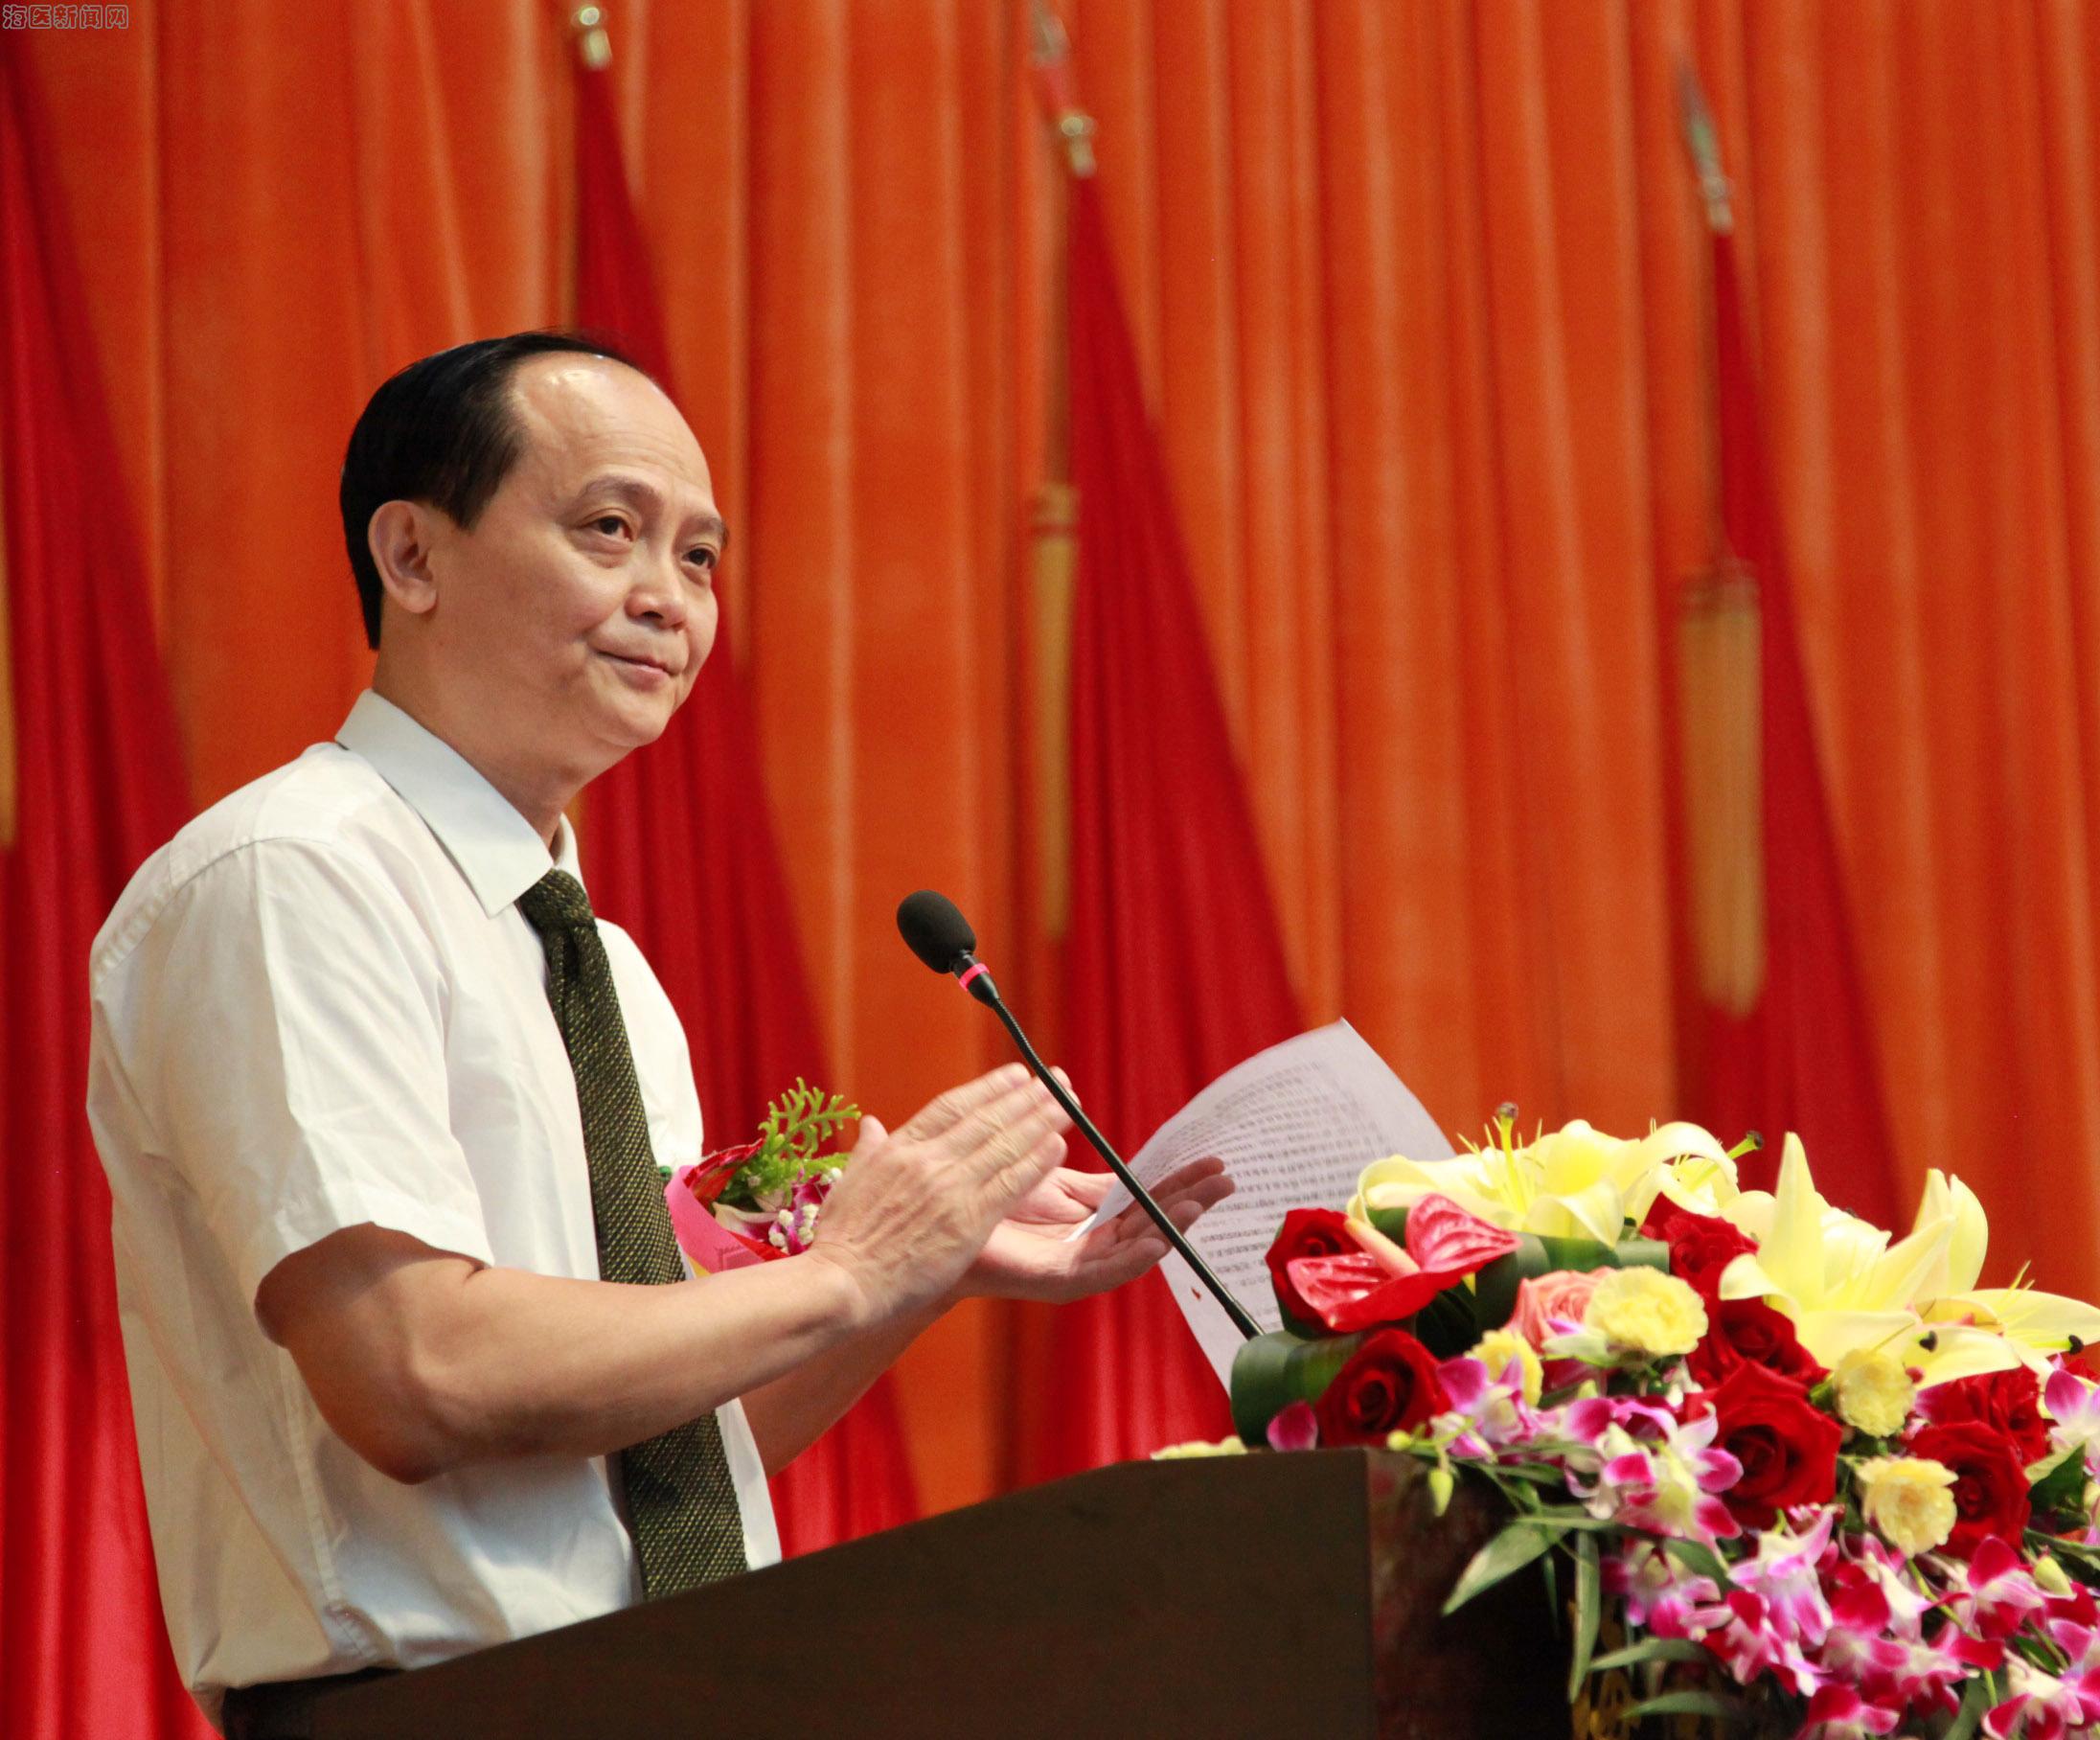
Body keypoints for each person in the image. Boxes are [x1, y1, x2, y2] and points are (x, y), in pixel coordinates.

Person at [86, 331, 1230, 1734]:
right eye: (609, 530)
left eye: (699, 557)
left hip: (654, 1687)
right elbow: (412, 1372)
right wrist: (852, 1269)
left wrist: (924, 1274)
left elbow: (674, 1449)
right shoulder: (293, 874)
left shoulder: (602, 965)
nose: (669, 601)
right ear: (412, 556)